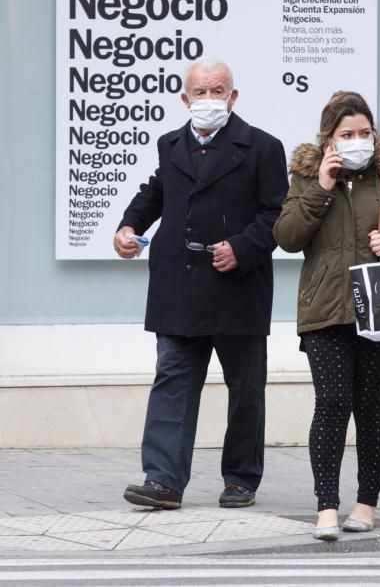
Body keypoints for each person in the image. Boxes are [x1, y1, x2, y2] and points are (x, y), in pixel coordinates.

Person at [114, 58, 288, 510]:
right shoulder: (170, 144)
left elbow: (277, 215)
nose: (209, 100)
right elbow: (155, 192)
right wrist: (128, 227)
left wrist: (243, 247)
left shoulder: (264, 148)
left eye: (218, 91)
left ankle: (240, 479)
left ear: (233, 97)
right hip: (179, 286)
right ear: (184, 99)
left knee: (245, 389)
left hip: (238, 290)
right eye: (200, 92)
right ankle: (164, 480)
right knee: (172, 380)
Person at [273, 91, 380, 540]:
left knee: (370, 408)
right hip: (325, 310)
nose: (358, 141)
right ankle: (326, 506)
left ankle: (366, 503)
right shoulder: (306, 178)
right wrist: (321, 188)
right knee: (330, 404)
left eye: (364, 132)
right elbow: (287, 237)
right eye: (347, 134)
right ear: (328, 138)